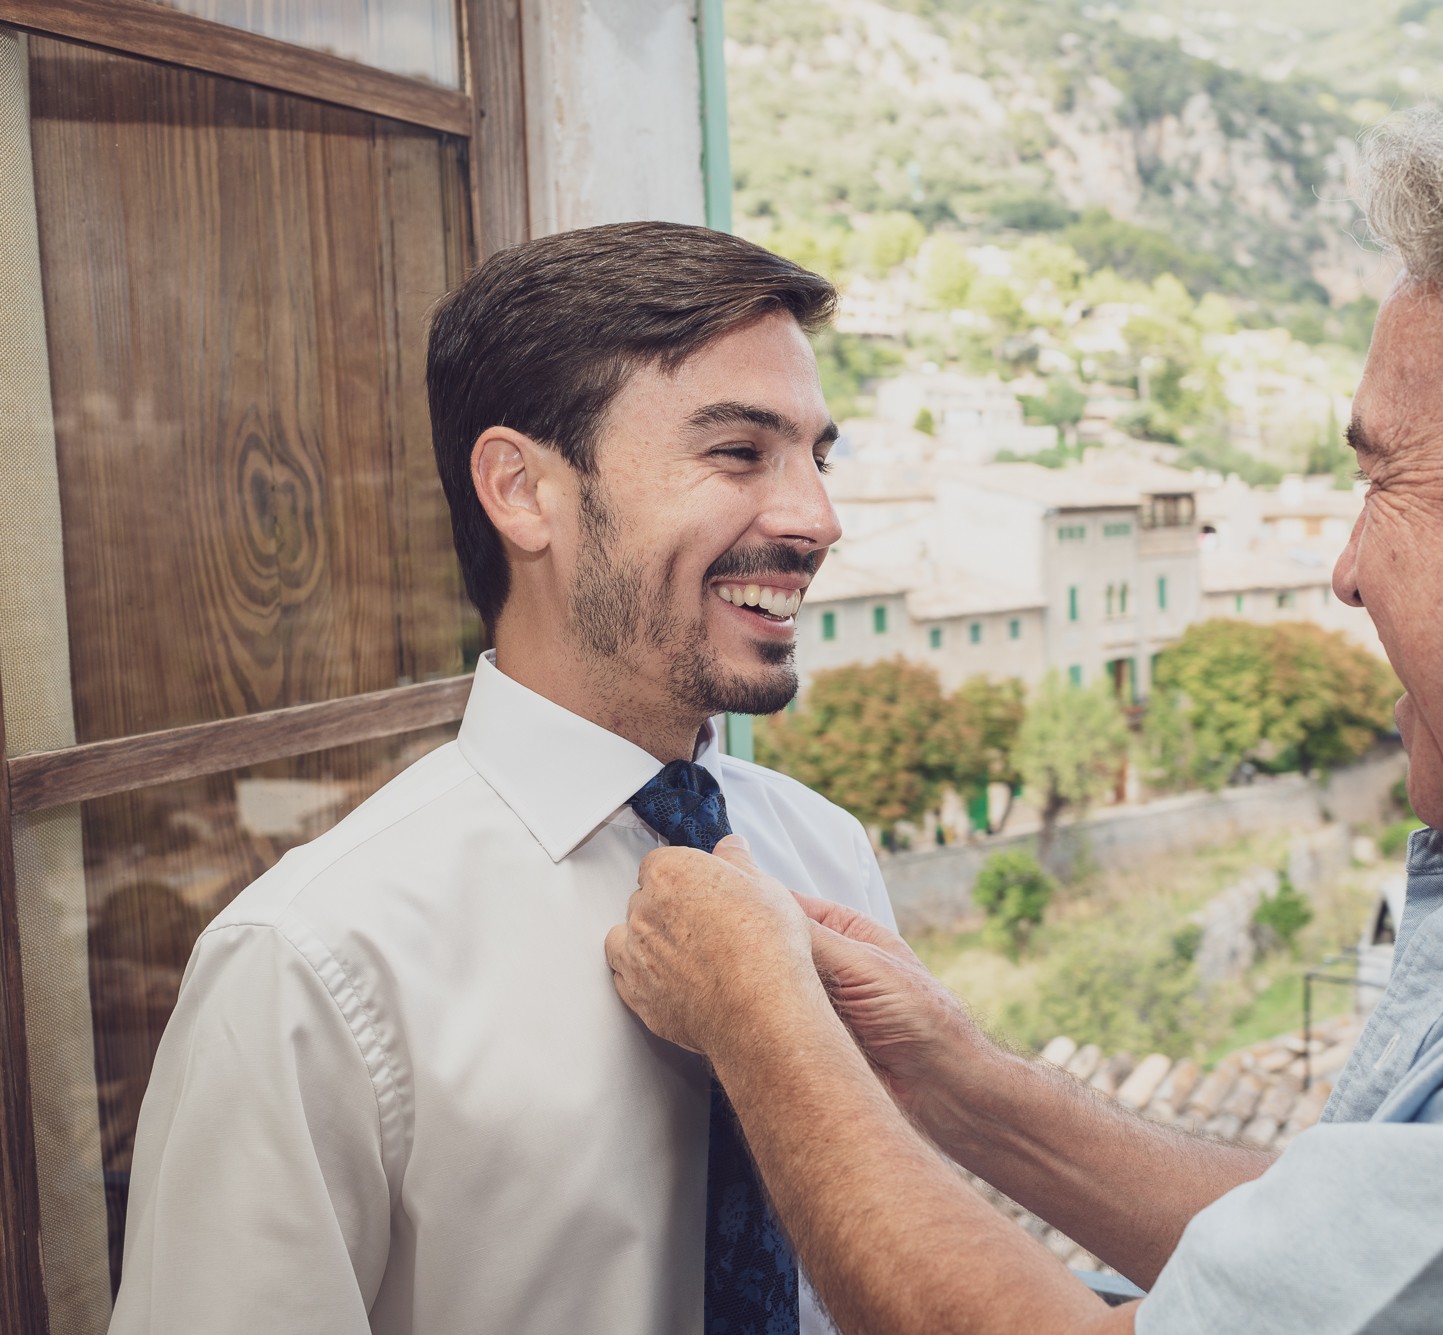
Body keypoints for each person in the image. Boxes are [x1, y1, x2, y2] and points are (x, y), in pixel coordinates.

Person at [605, 80, 1443, 1335]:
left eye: (1383, 475)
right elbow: (1365, 1264)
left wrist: (766, 1028)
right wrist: (954, 1076)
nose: (1343, 566)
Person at [111, 222, 889, 1334]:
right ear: (522, 491)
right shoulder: (309, 968)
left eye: (818, 454)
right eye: (737, 452)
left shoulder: (828, 859)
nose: (818, 517)